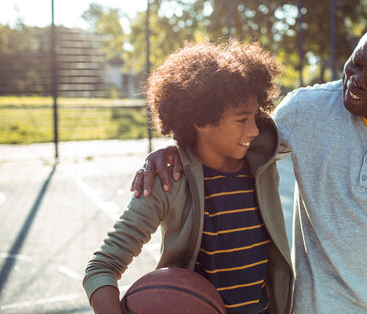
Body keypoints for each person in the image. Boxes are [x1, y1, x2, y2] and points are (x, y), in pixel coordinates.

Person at [132, 18, 367, 313]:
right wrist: (177, 146)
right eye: (357, 62)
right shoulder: (307, 110)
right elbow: (232, 140)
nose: (357, 80)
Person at [83, 40, 294, 314]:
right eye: (242, 119)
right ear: (201, 121)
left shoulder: (262, 164)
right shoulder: (169, 180)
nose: (254, 130)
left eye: (256, 116)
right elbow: (101, 267)